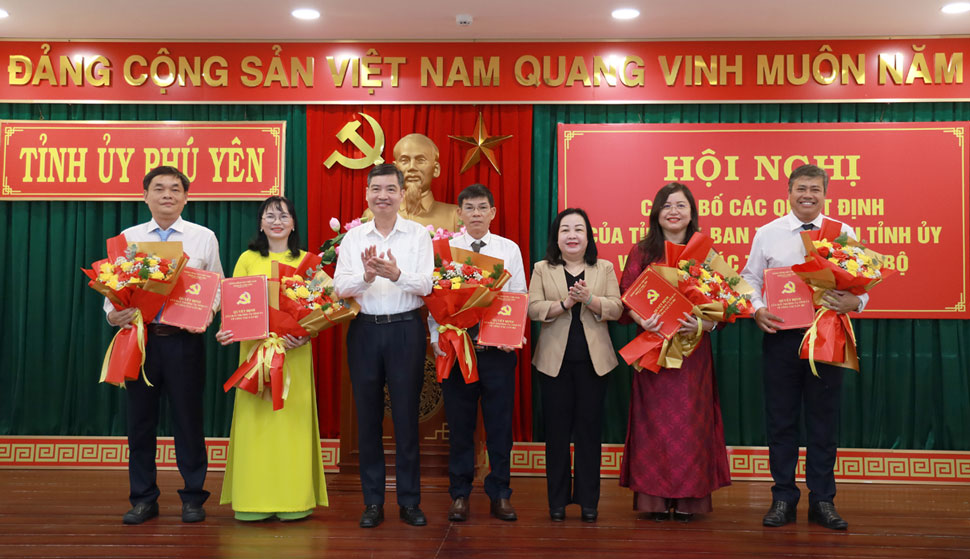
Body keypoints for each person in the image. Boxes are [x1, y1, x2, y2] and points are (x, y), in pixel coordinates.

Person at [741, 164, 866, 531]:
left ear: (825, 193)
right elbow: (750, 279)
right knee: (781, 421)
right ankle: (783, 498)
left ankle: (823, 501)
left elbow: (861, 283)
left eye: (814, 188)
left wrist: (855, 304)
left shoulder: (841, 232)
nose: (807, 194)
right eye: (801, 188)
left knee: (823, 422)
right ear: (789, 191)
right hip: (781, 337)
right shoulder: (768, 233)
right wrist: (757, 308)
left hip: (828, 335)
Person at [104, 165, 223, 525]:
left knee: (189, 421)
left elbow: (216, 286)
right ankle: (143, 498)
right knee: (140, 423)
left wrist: (209, 313)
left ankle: (192, 497)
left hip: (184, 342)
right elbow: (113, 288)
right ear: (145, 196)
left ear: (186, 197)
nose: (167, 195)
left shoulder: (203, 237)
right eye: (159, 188)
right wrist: (114, 315)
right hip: (140, 341)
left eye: (175, 189)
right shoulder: (129, 236)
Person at [617, 183, 731, 523]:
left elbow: (726, 306)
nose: (673, 211)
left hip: (692, 354)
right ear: (656, 213)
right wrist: (642, 317)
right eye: (666, 206)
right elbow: (626, 296)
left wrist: (703, 326)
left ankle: (689, 501)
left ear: (692, 213)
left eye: (681, 206)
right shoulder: (641, 252)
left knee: (692, 423)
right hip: (652, 350)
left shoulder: (707, 255)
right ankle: (653, 500)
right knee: (653, 424)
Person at [214, 196, 328, 521]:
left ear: (293, 223)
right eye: (270, 215)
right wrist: (227, 331)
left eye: (284, 215)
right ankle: (253, 500)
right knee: (257, 426)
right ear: (260, 223)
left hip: (295, 354)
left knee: (291, 424)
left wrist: (307, 333)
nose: (277, 221)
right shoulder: (247, 259)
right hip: (255, 354)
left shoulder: (309, 261)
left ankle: (295, 500)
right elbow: (235, 308)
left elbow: (326, 305)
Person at [334, 163, 434, 528]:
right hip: (365, 331)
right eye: (376, 189)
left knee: (407, 418)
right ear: (367, 194)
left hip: (406, 331)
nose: (383, 196)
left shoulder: (418, 235)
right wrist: (366, 276)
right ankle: (373, 502)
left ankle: (409, 501)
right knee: (368, 419)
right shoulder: (354, 238)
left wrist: (397, 275)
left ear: (402, 192)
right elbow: (339, 288)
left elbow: (427, 285)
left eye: (390, 189)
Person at [428, 183, 527, 523]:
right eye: (469, 208)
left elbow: (518, 297)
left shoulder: (508, 249)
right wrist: (437, 340)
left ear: (493, 212)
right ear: (460, 213)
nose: (475, 214)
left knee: (500, 427)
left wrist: (509, 335)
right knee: (460, 427)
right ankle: (459, 495)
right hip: (459, 351)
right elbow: (435, 304)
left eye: (482, 207)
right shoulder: (446, 250)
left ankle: (500, 493)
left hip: (498, 353)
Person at [528, 208, 623, 523]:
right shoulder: (543, 269)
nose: (572, 235)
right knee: (555, 435)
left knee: (588, 434)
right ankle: (556, 502)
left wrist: (590, 299)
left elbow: (617, 308)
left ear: (588, 236)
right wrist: (565, 304)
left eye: (578, 229)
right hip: (553, 365)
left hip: (594, 366)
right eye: (565, 229)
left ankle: (588, 503)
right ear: (557, 237)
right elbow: (533, 308)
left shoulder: (604, 268)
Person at [362, 133, 461, 231]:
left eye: (420, 160)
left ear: (435, 169)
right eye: (405, 160)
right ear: (396, 169)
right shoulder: (373, 215)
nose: (412, 167)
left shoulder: (455, 217)